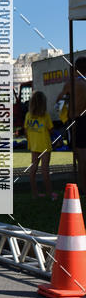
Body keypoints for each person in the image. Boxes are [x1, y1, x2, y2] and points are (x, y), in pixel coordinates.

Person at [57, 56, 86, 195]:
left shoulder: (72, 84)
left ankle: (82, 187)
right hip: (80, 119)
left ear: (76, 69)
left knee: (81, 158)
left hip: (77, 121)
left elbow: (59, 101)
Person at [24, 91, 56, 199]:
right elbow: (51, 129)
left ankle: (35, 194)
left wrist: (30, 139)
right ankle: (50, 194)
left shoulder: (28, 115)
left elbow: (25, 130)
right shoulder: (45, 116)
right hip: (45, 146)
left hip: (34, 146)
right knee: (45, 170)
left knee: (33, 169)